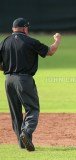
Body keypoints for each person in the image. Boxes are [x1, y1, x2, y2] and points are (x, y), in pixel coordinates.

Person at [0, 18, 61, 151]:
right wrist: (57, 40)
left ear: (13, 29)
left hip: (8, 80)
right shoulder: (30, 41)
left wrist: (10, 67)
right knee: (32, 109)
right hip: (24, 80)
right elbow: (50, 51)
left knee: (15, 112)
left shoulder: (4, 42)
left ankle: (22, 142)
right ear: (25, 28)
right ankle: (26, 133)